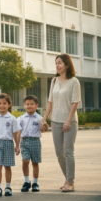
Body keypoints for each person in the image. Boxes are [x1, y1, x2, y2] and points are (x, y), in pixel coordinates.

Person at [44, 54, 81, 192]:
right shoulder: (54, 81)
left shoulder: (74, 82)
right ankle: (67, 178)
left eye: (60, 63)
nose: (57, 66)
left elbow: (75, 102)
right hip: (55, 121)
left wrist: (68, 120)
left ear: (66, 65)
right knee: (59, 152)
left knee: (68, 152)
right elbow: (50, 101)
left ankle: (70, 182)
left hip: (69, 122)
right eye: (56, 63)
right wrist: (45, 118)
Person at [16, 95, 47, 192]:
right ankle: (26, 181)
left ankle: (35, 183)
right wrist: (17, 145)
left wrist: (44, 127)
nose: (29, 106)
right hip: (24, 141)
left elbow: (44, 130)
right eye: (27, 104)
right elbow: (17, 131)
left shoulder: (39, 118)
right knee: (25, 161)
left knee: (35, 163)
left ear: (36, 105)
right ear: (24, 105)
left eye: (32, 104)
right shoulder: (21, 118)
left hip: (35, 141)